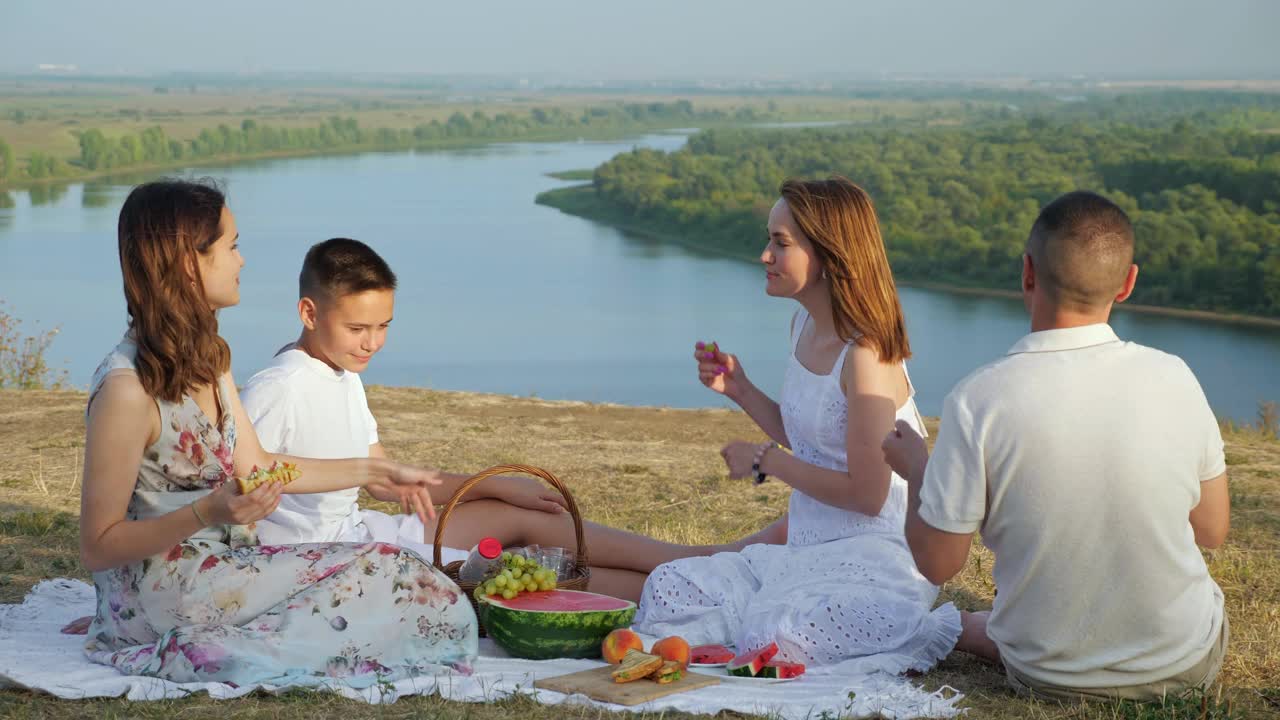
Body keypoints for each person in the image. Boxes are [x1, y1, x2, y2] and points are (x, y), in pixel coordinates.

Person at [77, 179, 476, 686]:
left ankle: (237, 642)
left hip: (222, 565)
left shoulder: (209, 357)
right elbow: (99, 545)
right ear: (187, 263)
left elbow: (262, 469)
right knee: (400, 584)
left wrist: (377, 469)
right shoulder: (126, 390)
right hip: (164, 589)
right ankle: (200, 646)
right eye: (231, 246)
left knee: (412, 582)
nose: (242, 261)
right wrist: (207, 511)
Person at [881, 191, 1230, 701]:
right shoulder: (1174, 376)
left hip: (1050, 675)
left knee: (958, 621)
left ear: (1026, 272)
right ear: (1129, 282)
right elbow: (1213, 530)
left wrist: (917, 470)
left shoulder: (978, 399)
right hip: (1187, 663)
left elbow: (938, 565)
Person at [240, 236, 716, 602]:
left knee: (520, 513)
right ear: (308, 312)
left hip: (361, 529)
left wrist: (493, 485)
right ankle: (680, 590)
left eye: (383, 326)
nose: (373, 342)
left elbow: (387, 485)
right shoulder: (278, 386)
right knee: (505, 567)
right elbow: (239, 484)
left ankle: (691, 561)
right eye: (357, 328)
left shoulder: (342, 375)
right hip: (320, 560)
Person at [634, 177, 960, 672]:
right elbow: (814, 444)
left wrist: (768, 462)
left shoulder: (867, 355)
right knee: (668, 586)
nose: (764, 255)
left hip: (875, 560)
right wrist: (739, 387)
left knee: (778, 634)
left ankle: (923, 627)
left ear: (830, 256)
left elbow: (868, 495)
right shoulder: (804, 325)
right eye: (770, 239)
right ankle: (731, 638)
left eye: (780, 243)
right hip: (808, 550)